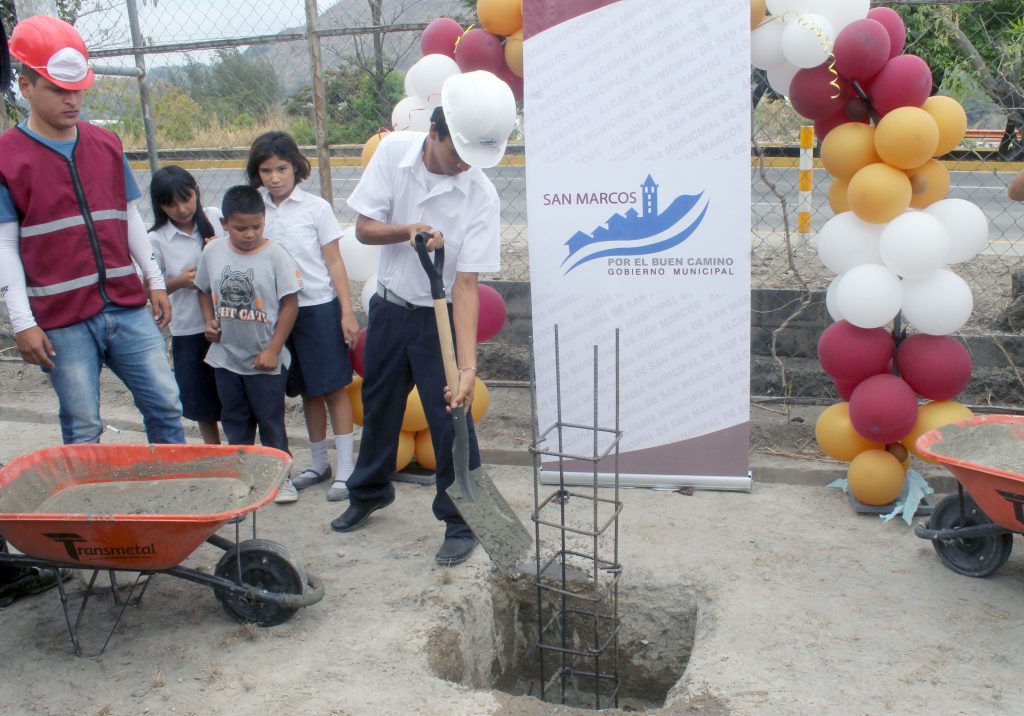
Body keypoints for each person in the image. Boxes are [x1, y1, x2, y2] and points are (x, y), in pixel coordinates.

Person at [330, 70, 517, 566]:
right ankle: (370, 491)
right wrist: (407, 230)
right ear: (434, 132)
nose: (463, 166)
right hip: (390, 308)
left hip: (443, 320)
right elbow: (364, 230)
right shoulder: (394, 154)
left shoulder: (481, 195)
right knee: (380, 404)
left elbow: (467, 285)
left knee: (452, 416)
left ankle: (462, 519)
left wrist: (467, 368)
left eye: (473, 159)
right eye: (458, 154)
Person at [0, 15, 184, 446]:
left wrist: (154, 279)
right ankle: (88, 493)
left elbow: (129, 216)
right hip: (61, 317)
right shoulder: (7, 158)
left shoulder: (106, 144)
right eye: (58, 90)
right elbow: (5, 245)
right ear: (26, 86)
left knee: (166, 406)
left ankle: (173, 486)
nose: (72, 100)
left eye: (78, 90)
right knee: (82, 425)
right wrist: (23, 321)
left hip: (125, 305)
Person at [245, 131, 359, 503]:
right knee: (308, 390)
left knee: (333, 388)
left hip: (318, 307)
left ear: (296, 167)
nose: (274, 178)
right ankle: (319, 463)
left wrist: (346, 311)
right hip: (277, 314)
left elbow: (334, 261)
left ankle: (346, 469)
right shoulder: (256, 211)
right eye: (266, 171)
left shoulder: (315, 208)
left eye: (281, 168)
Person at [194, 185, 300, 502]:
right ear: (225, 223)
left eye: (257, 226)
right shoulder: (213, 252)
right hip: (226, 358)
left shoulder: (276, 256)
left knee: (271, 422)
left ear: (264, 220)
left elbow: (290, 304)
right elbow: (202, 290)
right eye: (241, 228)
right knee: (235, 422)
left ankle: (280, 479)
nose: (250, 234)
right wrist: (209, 321)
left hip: (265, 361)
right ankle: (241, 478)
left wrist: (273, 349)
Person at [148, 166, 225, 444]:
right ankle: (213, 451)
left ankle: (241, 450)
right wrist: (179, 281)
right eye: (171, 204)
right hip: (189, 329)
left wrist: (221, 248)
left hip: (229, 323)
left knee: (234, 397)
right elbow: (150, 289)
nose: (181, 209)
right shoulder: (156, 239)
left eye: (186, 198)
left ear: (196, 192)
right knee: (203, 402)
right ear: (160, 206)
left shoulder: (216, 218)